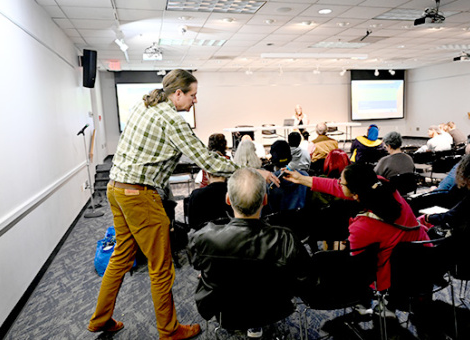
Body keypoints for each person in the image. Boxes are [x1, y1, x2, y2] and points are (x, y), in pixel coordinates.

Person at [88, 69, 279, 340]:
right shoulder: (172, 120)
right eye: (193, 95)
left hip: (116, 189)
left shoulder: (143, 106)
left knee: (120, 257)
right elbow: (207, 159)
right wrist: (253, 171)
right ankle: (169, 330)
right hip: (140, 195)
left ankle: (100, 319)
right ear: (178, 94)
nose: (195, 101)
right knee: (161, 266)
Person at [283, 163, 430, 310]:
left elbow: (358, 270)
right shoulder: (382, 186)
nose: (338, 183)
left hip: (398, 275)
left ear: (356, 194)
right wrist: (302, 179)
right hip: (425, 257)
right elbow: (338, 186)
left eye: (342, 182)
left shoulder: (362, 228)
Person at [188, 168, 311, 338]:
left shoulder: (202, 238)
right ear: (265, 200)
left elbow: (196, 264)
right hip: (275, 309)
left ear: (228, 200)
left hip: (226, 311)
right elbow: (304, 278)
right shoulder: (286, 238)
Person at [266, 140, 308, 213]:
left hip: (276, 222)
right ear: (290, 158)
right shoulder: (304, 176)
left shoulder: (268, 181)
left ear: (272, 159)